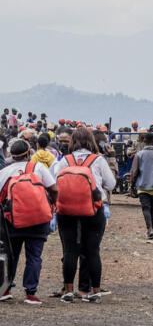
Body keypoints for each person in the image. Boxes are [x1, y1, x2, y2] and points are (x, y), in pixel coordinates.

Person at [50, 127, 115, 302]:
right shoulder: (98, 160)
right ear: (91, 141)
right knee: (92, 251)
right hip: (93, 209)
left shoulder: (65, 160)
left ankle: (69, 290)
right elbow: (111, 183)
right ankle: (93, 291)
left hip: (67, 210)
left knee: (70, 251)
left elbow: (54, 183)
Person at [0, 139, 57, 304]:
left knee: (11, 255)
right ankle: (30, 293)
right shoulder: (38, 167)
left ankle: (6, 289)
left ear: (12, 155)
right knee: (34, 256)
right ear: (28, 153)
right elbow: (53, 188)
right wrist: (52, 206)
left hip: (13, 220)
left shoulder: (4, 172)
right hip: (38, 218)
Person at [129, 131, 153, 240]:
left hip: (142, 187)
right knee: (152, 209)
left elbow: (134, 172)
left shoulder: (139, 155)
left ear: (144, 141)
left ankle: (149, 228)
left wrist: (132, 185)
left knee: (145, 208)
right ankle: (152, 228)